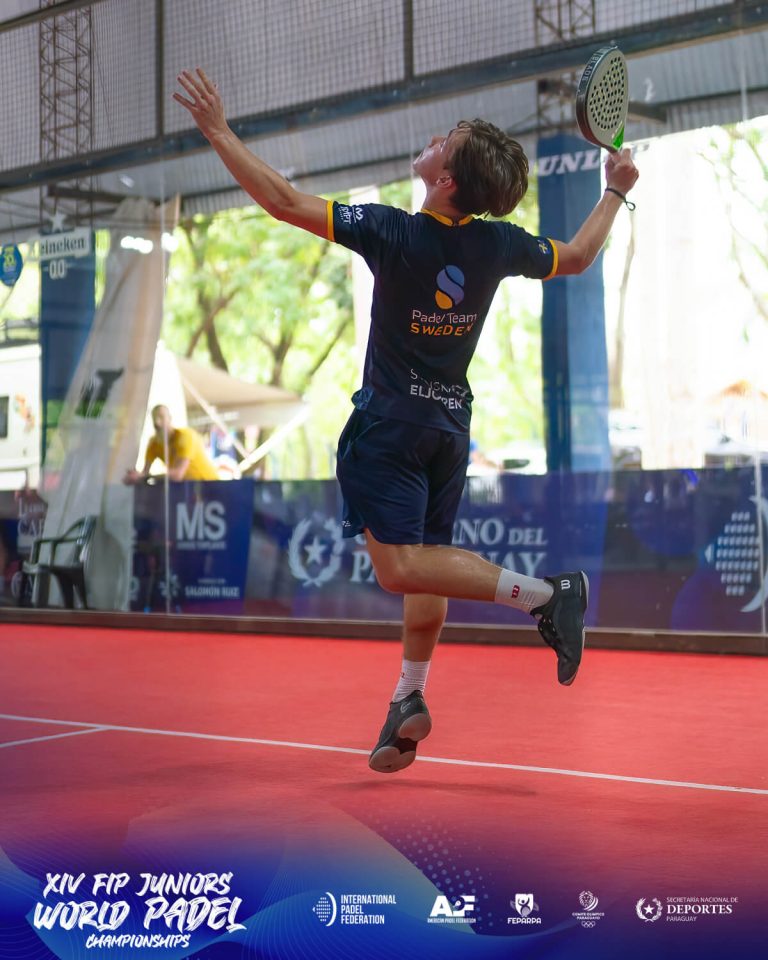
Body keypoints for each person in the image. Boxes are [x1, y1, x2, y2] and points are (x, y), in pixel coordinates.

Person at [174, 69, 639, 773]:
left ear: (446, 180)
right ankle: (407, 698)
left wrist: (217, 130)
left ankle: (549, 596)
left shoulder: (390, 230)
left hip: (390, 426)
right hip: (447, 432)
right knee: (428, 574)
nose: (432, 140)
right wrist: (614, 192)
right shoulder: (497, 244)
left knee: (398, 571)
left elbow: (282, 201)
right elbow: (576, 257)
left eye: (444, 141)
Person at [123, 404, 219, 484]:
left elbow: (177, 474)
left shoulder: (185, 436)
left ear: (169, 418)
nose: (157, 422)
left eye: (161, 417)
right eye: (154, 418)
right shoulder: (153, 443)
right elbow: (145, 473)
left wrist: (146, 477)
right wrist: (136, 477)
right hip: (188, 488)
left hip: (210, 484)